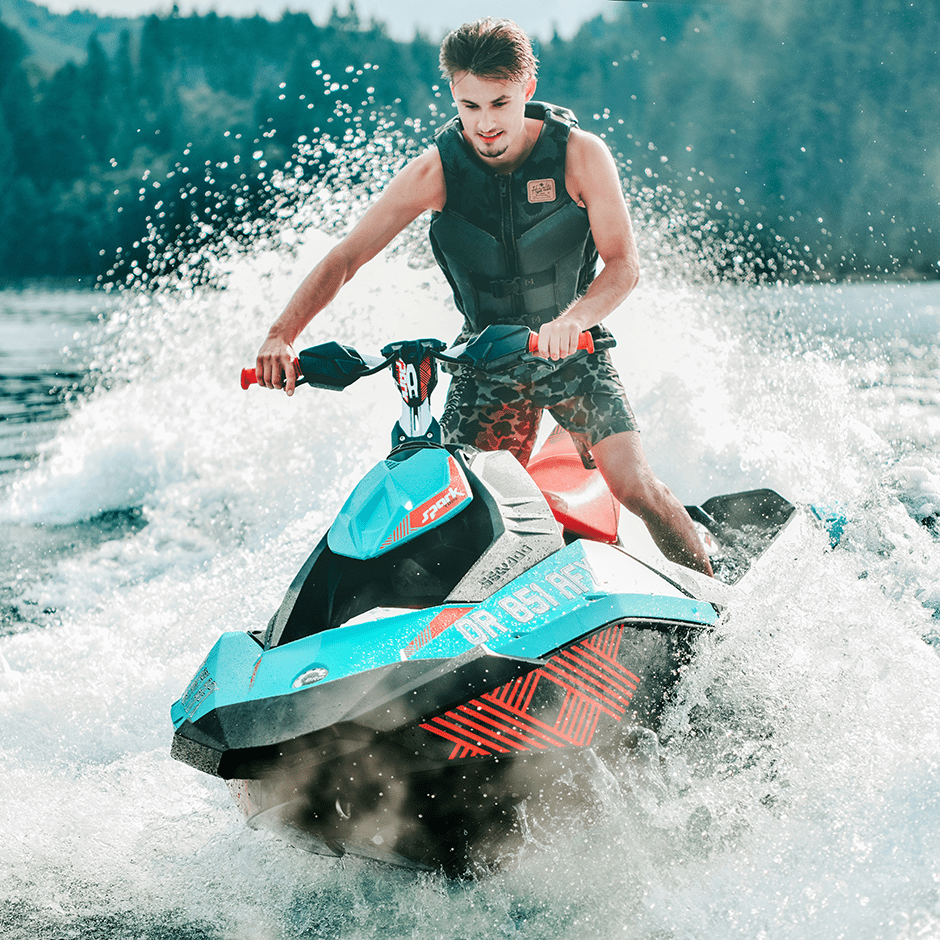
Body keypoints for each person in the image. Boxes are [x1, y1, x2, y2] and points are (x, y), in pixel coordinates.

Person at [255, 17, 714, 576]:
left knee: (633, 485)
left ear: (527, 89)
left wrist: (574, 321)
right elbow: (345, 258)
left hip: (574, 351)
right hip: (486, 359)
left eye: (499, 103)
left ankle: (716, 606)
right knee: (460, 515)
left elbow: (623, 265)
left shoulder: (581, 155)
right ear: (454, 95)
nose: (486, 124)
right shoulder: (435, 171)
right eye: (470, 106)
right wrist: (282, 334)